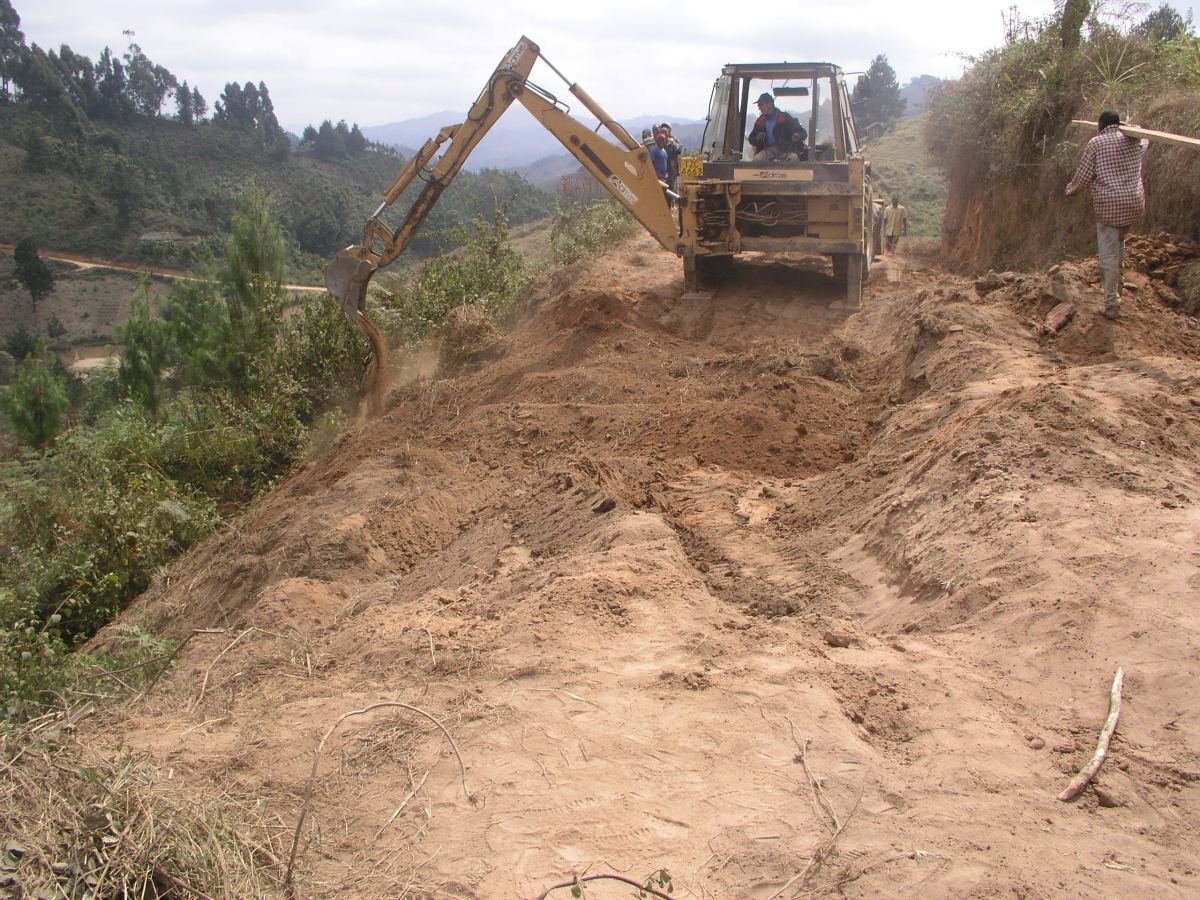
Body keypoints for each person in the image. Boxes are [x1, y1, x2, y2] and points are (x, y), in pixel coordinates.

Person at [1065, 109, 1150, 320]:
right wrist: (1134, 129)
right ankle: (1118, 289)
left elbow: (1083, 177)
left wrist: (1070, 190)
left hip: (1109, 207)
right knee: (1119, 244)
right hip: (1133, 205)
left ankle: (1112, 304)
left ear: (1101, 125)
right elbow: (1147, 137)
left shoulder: (1097, 143)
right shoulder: (1136, 141)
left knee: (1108, 256)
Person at [747, 92, 806, 162]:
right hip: (767, 150)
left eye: (761, 105)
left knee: (794, 158)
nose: (759, 108)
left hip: (784, 150)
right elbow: (751, 138)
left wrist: (798, 135)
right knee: (757, 160)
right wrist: (757, 137)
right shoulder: (760, 121)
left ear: (770, 104)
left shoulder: (785, 118)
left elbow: (803, 133)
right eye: (758, 106)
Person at [658, 122, 683, 189]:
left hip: (672, 170)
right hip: (663, 171)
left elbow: (679, 150)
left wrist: (675, 144)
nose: (665, 133)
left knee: (673, 187)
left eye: (667, 130)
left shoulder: (673, 142)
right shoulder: (659, 142)